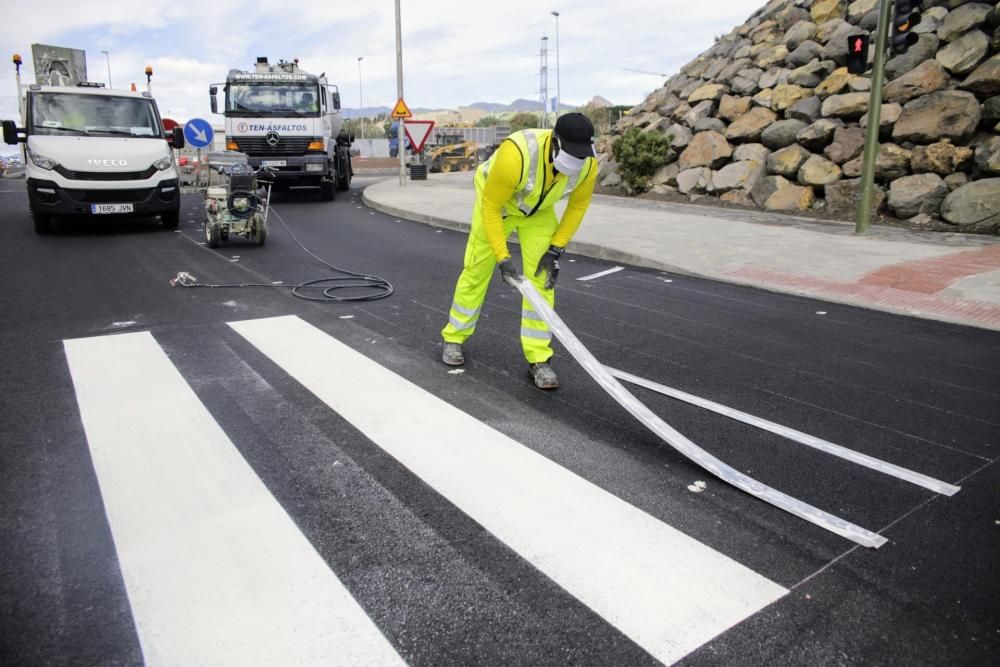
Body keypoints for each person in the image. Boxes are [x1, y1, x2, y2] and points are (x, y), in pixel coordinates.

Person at [440, 112, 598, 389]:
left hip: (538, 211)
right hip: (499, 206)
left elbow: (577, 208)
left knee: (542, 281)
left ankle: (539, 358)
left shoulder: (587, 164)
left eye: (580, 157)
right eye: (570, 157)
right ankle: (454, 337)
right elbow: (489, 206)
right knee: (477, 270)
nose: (574, 165)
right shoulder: (517, 154)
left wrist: (556, 249)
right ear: (555, 143)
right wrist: (503, 258)